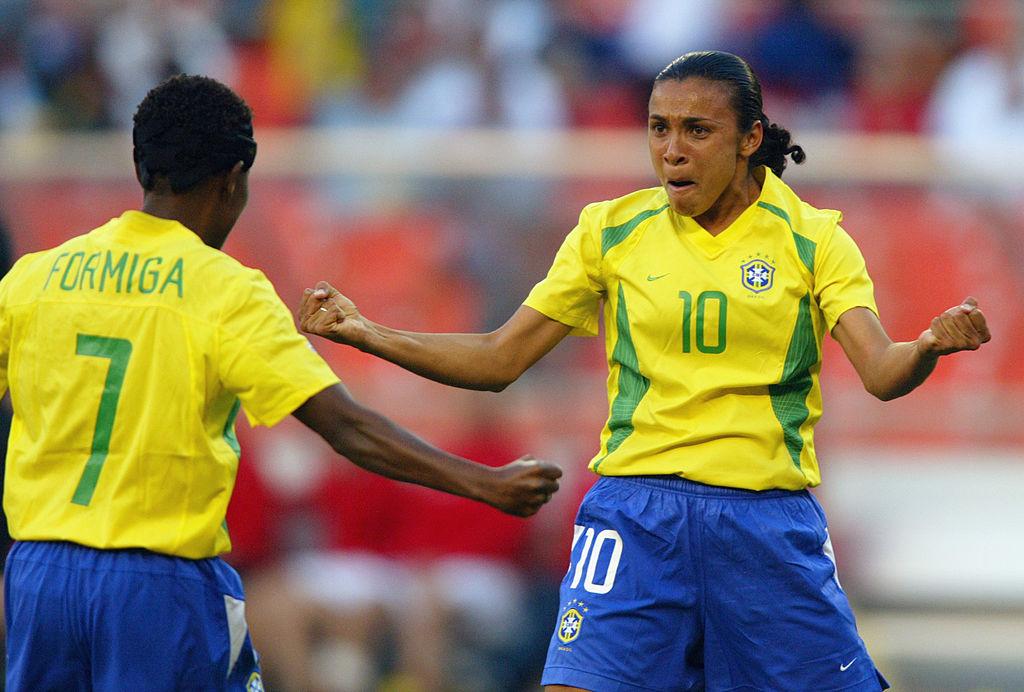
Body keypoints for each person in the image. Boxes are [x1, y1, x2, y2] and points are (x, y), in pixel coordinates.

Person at [300, 50, 992, 691]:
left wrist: (927, 346)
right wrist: (366, 332)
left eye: (697, 130)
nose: (671, 150)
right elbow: (498, 359)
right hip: (637, 515)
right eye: (658, 128)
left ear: (750, 139)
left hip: (763, 524)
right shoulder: (611, 230)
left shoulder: (814, 240)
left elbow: (880, 371)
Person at [0, 74, 562, 692]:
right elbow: (347, 428)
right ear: (234, 179)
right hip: (154, 584)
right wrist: (485, 482)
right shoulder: (226, 290)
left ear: (142, 166)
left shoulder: (33, 278)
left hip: (37, 577)